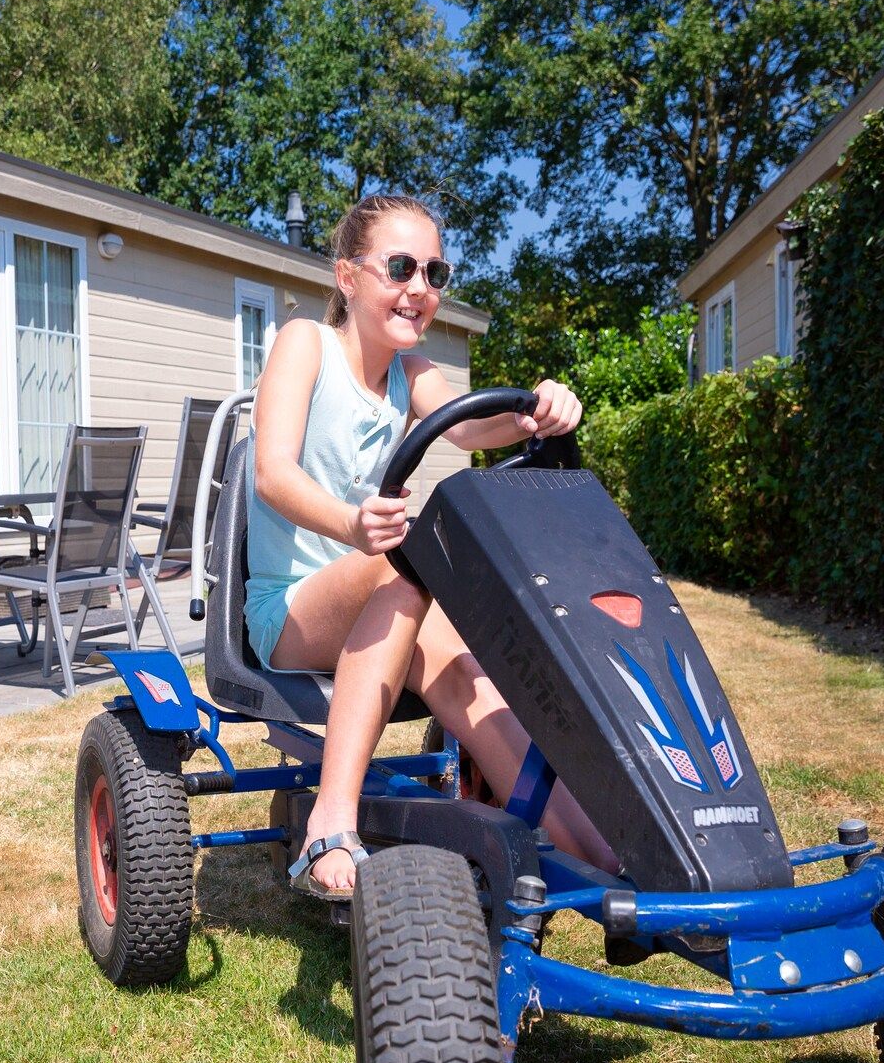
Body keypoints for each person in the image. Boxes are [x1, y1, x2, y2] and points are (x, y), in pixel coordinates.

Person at [246, 193, 620, 897]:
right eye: (399, 267)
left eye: (434, 273)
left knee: (468, 675)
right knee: (410, 566)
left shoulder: (413, 376)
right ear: (348, 277)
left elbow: (473, 430)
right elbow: (272, 474)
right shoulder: (306, 343)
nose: (419, 288)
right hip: (291, 610)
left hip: (385, 594)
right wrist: (354, 528)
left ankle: (605, 862)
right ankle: (330, 820)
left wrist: (541, 409)